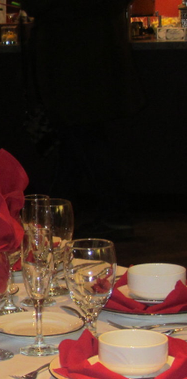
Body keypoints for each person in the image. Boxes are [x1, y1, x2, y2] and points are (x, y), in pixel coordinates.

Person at [21, 0, 146, 239]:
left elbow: (33, 4)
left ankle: (104, 215)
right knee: (80, 140)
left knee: (82, 138)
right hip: (98, 58)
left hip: (70, 60)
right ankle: (56, 215)